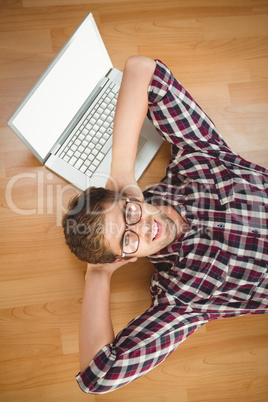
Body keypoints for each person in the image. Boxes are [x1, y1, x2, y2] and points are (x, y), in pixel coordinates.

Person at [62, 56, 268, 394]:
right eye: (127, 241)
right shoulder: (181, 297)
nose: (142, 228)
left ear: (129, 198)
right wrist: (98, 273)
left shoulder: (195, 160)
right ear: (124, 258)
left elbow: (143, 69)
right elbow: (97, 377)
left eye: (129, 214)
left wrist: (122, 173)